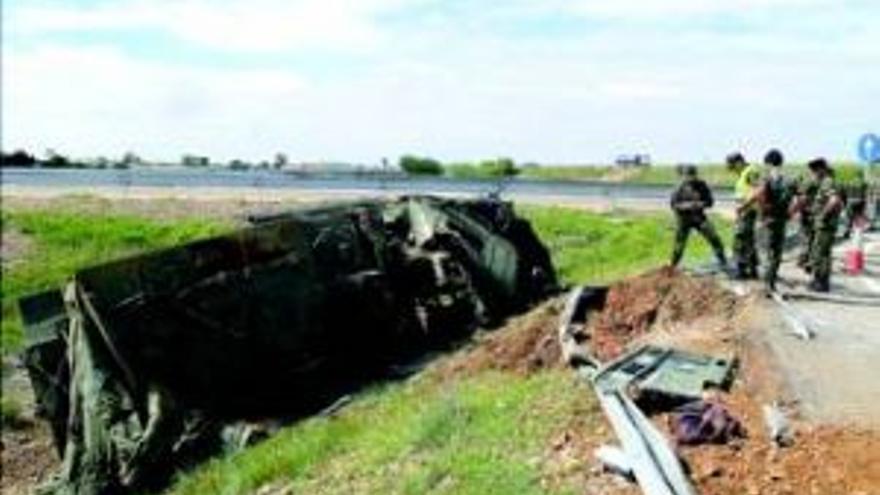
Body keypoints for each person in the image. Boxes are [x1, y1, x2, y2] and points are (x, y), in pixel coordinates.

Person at [742, 149, 792, 292]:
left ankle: (767, 283)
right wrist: (789, 213)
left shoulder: (767, 177)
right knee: (776, 252)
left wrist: (744, 207)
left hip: (767, 219)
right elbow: (798, 199)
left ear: (768, 162)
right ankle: (771, 281)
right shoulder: (788, 178)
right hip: (781, 219)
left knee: (765, 250)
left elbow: (759, 194)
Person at [669, 165, 728, 269]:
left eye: (693, 175)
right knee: (679, 244)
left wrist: (701, 204)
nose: (691, 178)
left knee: (714, 238)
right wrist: (686, 206)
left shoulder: (702, 185)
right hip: (684, 219)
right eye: (688, 175)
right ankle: (673, 265)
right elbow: (673, 205)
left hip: (699, 217)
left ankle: (723, 260)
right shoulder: (679, 187)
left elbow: (710, 202)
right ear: (684, 176)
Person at [806, 158, 844, 292]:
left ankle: (821, 283)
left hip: (825, 225)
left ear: (821, 169)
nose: (813, 174)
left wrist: (822, 214)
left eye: (814, 171)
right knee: (822, 253)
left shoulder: (828, 182)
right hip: (824, 225)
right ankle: (820, 281)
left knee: (821, 254)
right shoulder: (826, 181)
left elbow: (834, 200)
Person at [727, 152, 762, 279]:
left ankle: (741, 270)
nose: (732, 170)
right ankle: (752, 270)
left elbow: (757, 191)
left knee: (740, 239)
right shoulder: (743, 173)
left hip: (748, 211)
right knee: (748, 241)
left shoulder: (750, 171)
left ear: (739, 162)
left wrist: (743, 207)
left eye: (733, 166)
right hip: (744, 211)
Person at [842, 169, 868, 239]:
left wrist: (845, 203)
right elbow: (864, 194)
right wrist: (864, 204)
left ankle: (847, 232)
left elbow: (844, 194)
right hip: (860, 201)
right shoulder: (863, 183)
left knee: (849, 218)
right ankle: (858, 233)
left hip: (850, 201)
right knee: (858, 217)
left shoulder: (849, 183)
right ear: (860, 175)